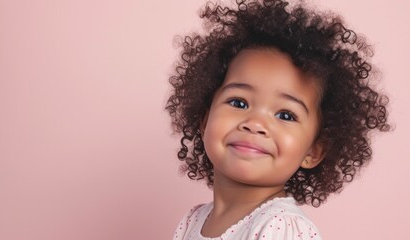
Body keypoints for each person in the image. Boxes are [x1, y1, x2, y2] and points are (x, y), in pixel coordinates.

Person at [165, 0, 390, 239]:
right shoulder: (194, 220)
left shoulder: (282, 227)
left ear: (313, 151)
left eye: (285, 115)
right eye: (239, 103)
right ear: (204, 121)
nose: (255, 123)